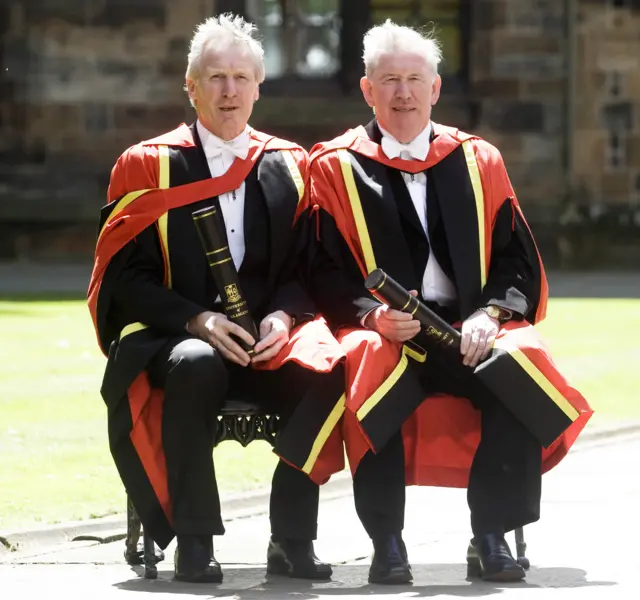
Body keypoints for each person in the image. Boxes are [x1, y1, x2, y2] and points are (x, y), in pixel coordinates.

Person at [306, 20, 592, 584]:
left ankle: (491, 536)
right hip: (394, 335)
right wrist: (371, 315)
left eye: (416, 79)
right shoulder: (335, 166)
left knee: (519, 359)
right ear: (367, 90)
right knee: (368, 360)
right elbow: (322, 270)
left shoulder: (478, 160)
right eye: (389, 80)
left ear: (436, 88)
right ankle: (387, 542)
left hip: (468, 330)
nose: (404, 93)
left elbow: (515, 259)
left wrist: (491, 314)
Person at [87, 14, 346, 584]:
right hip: (177, 341)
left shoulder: (290, 166)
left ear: (258, 85)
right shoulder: (147, 165)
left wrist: (283, 314)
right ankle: (195, 542)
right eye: (215, 78)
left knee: (334, 368)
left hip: (267, 339)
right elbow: (125, 281)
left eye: (240, 78)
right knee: (197, 366)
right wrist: (197, 320)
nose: (229, 91)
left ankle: (292, 537)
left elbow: (308, 267)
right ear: (191, 86)